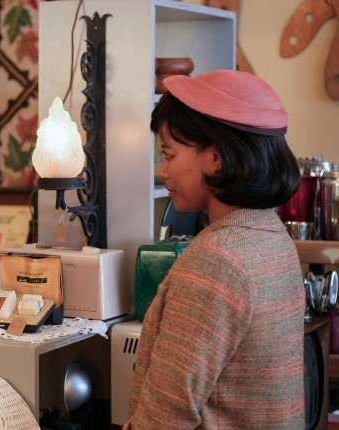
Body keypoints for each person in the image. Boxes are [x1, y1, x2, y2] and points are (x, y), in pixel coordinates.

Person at [125, 70, 304, 429]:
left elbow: (165, 414)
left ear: (215, 158)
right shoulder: (273, 237)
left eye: (169, 154)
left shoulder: (217, 260)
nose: (163, 171)